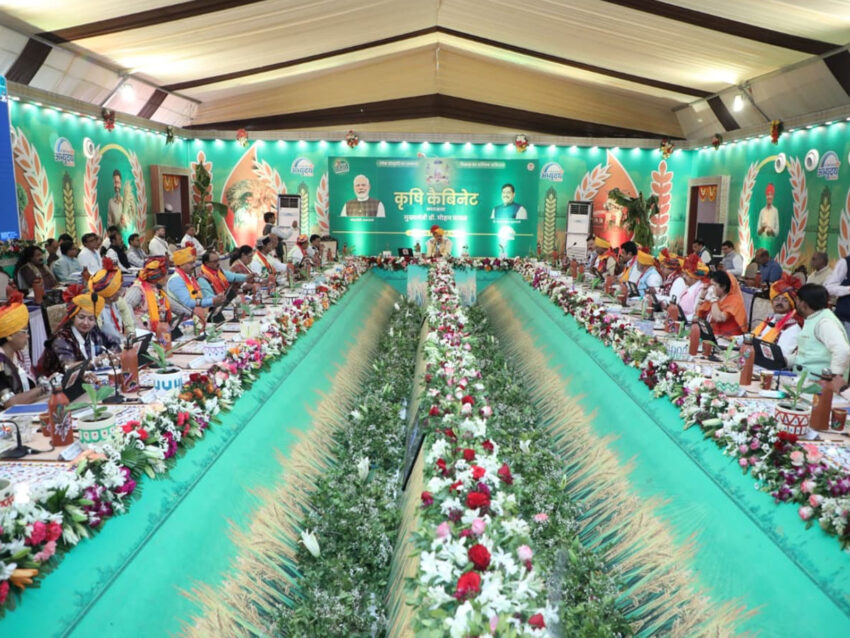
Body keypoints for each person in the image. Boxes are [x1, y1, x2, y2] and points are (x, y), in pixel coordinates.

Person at [38, 285, 121, 376]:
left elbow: (115, 345)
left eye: (91, 319)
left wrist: (109, 356)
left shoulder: (94, 333)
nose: (86, 323)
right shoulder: (62, 338)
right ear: (73, 317)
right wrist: (95, 362)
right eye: (81, 317)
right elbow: (69, 367)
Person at [0, 293, 48, 407]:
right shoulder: (1, 362)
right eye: (24, 331)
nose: (28, 336)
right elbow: (10, 403)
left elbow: (33, 382)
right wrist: (43, 388)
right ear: (9, 335)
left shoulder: (18, 355)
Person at [792, 284, 850, 377]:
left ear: (803, 303)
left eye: (797, 300)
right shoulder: (814, 318)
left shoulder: (825, 322)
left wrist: (835, 377)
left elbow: (842, 350)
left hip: (819, 382)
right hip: (804, 377)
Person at [751, 274, 803, 361]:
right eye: (777, 299)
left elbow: (781, 355)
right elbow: (756, 337)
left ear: (791, 304)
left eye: (785, 300)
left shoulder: (793, 327)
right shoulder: (772, 320)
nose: (780, 302)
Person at [88, 259, 135, 343]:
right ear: (110, 294)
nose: (121, 293)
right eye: (118, 289)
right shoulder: (95, 308)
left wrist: (131, 333)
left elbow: (128, 321)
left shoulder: (118, 302)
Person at [124, 258, 176, 332]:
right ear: (158, 277)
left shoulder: (157, 289)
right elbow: (126, 304)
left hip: (156, 331)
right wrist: (134, 328)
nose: (167, 278)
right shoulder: (138, 289)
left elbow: (171, 303)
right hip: (142, 332)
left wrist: (190, 313)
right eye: (165, 275)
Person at [167, 247, 224, 313]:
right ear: (180, 265)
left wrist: (216, 299)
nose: (194, 265)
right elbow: (188, 303)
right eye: (190, 263)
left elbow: (199, 298)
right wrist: (212, 301)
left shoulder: (189, 277)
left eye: (194, 262)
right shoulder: (176, 280)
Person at [696, 270, 747, 337]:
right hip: (713, 335)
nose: (711, 288)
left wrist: (713, 299)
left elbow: (719, 318)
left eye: (714, 285)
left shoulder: (735, 300)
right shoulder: (715, 297)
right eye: (710, 285)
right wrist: (702, 297)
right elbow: (698, 313)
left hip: (728, 338)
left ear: (723, 287)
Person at [678, 254, 710, 321]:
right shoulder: (688, 286)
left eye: (687, 274)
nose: (683, 276)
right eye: (684, 274)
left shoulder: (701, 289)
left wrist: (683, 319)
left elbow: (696, 314)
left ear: (694, 277)